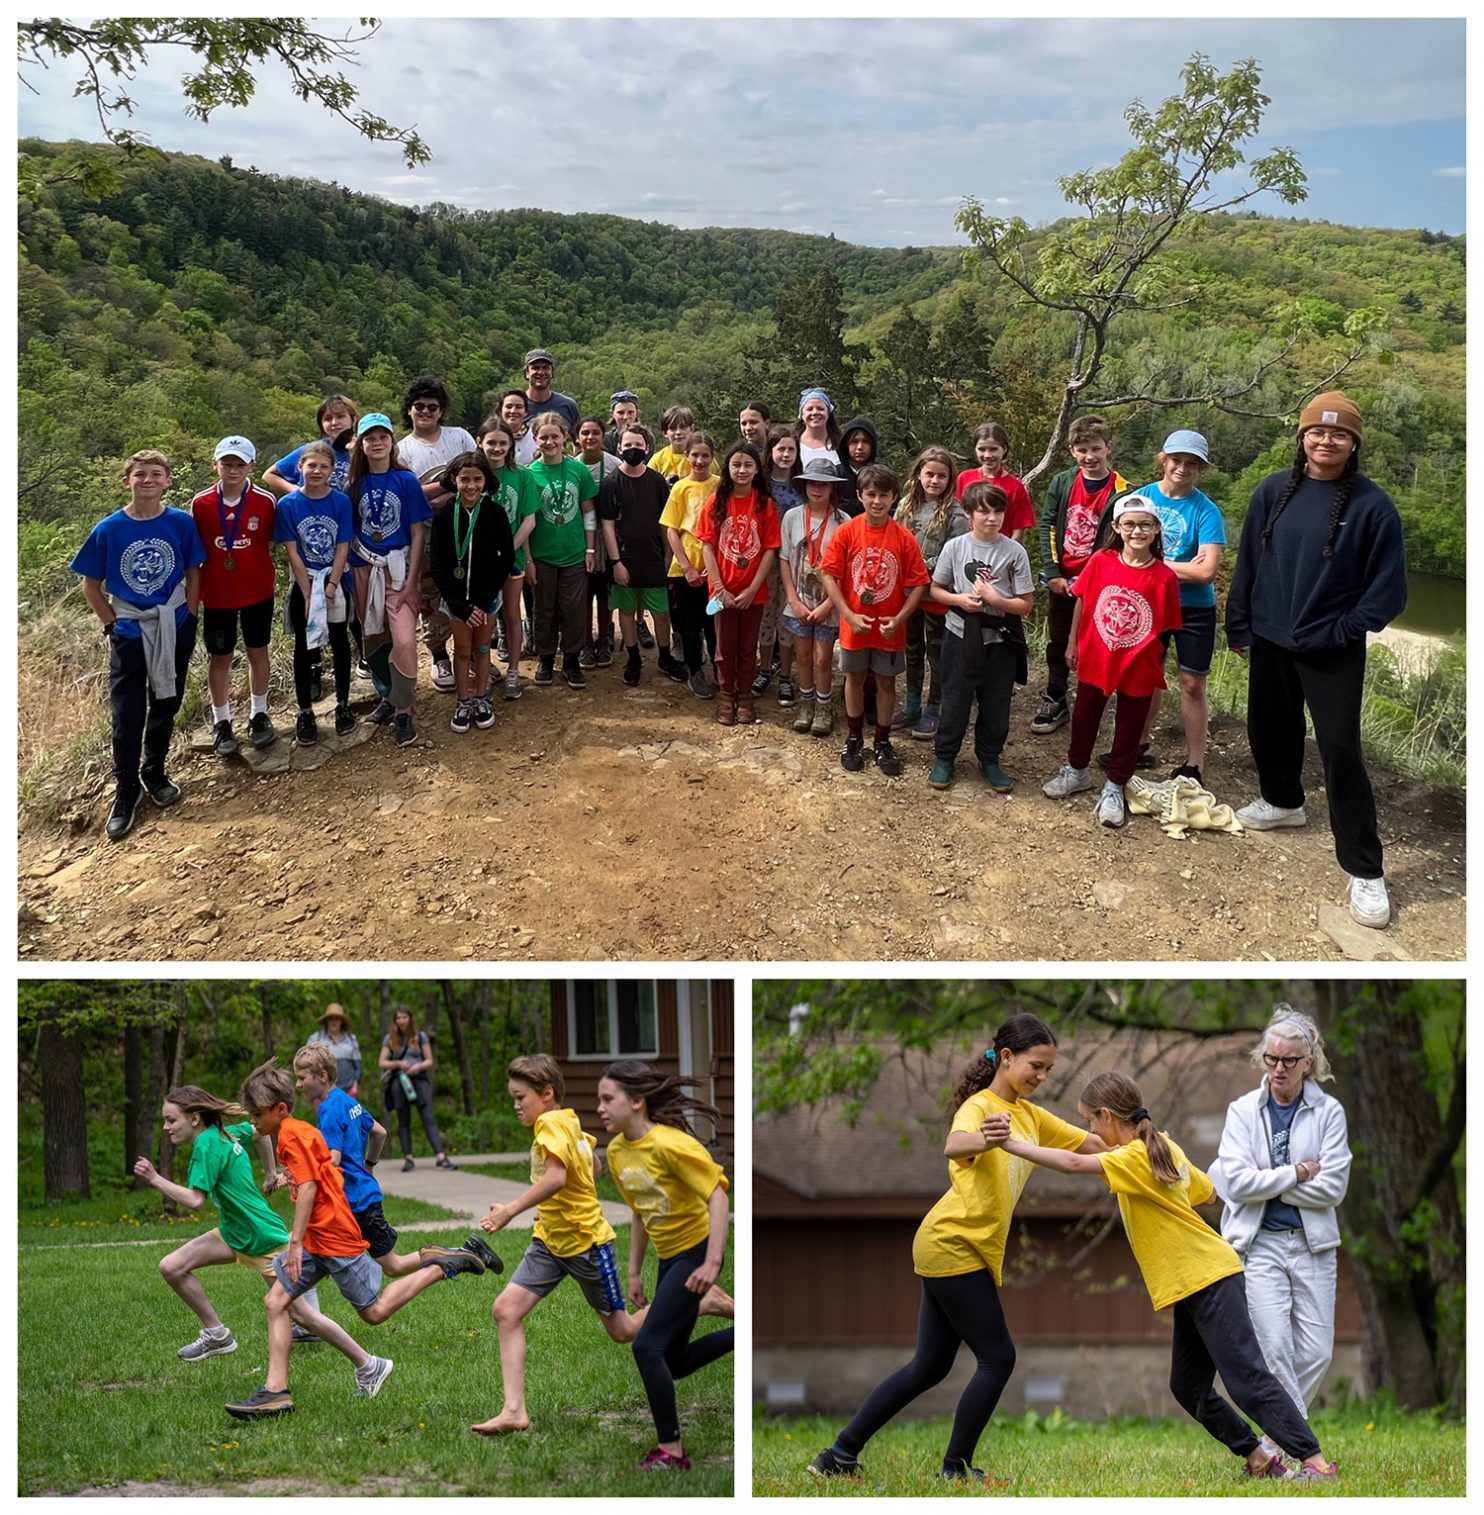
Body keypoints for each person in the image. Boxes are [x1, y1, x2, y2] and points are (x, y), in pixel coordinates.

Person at [991, 1070, 1338, 1480]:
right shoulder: (1157, 1149)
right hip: (1192, 1283)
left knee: (1246, 1378)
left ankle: (1315, 1463)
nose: (1090, 1129)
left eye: (1090, 1121)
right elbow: (1208, 1192)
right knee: (1187, 1386)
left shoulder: (1134, 1156)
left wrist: (1011, 1143)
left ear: (1106, 1116)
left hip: (1208, 1276)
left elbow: (1071, 1162)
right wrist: (1171, 1155)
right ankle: (1259, 1460)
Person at [808, 1014, 1102, 1483]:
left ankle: (838, 1455)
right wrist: (985, 1138)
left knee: (928, 1366)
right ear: (1006, 1058)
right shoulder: (980, 1107)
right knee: (998, 1357)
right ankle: (956, 1468)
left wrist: (1138, 1143)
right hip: (953, 1244)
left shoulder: (1031, 1116)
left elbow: (1089, 1143)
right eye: (1036, 1066)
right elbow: (954, 1144)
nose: (1043, 1077)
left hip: (958, 1247)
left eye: (1049, 1069)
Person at [1225, 391, 1406, 929]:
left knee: (1341, 751)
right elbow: (1250, 564)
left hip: (1332, 649)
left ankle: (1365, 868)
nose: (1326, 441)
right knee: (1270, 728)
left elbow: (1388, 592)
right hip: (1272, 638)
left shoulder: (1372, 506)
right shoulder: (1273, 491)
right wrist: (1240, 623)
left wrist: (1345, 629)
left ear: (1354, 444)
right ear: (1302, 438)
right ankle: (1282, 802)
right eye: (1317, 432)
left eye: (1339, 434)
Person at [224, 1058, 488, 1419]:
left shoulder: (290, 1134)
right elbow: (318, 1171)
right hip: (317, 1235)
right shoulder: (294, 1130)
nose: (253, 1122)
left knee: (374, 1312)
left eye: (257, 1115)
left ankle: (441, 1267)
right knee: (275, 1302)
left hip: (333, 1236)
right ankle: (275, 1392)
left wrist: (296, 1242)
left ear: (280, 1109)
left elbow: (311, 1184)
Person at [470, 1054, 650, 1436]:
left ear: (546, 1093)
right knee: (506, 1310)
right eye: (513, 1098)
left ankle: (696, 1299)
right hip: (550, 1241)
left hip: (586, 1244)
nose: (516, 1105)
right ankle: (514, 1410)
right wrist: (552, 1208)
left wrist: (510, 1211)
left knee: (623, 1331)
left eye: (521, 1098)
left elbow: (556, 1178)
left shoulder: (550, 1124)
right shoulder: (567, 1119)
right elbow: (592, 1166)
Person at [1209, 1006, 1351, 1467]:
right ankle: (1303, 1453)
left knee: (1316, 1351)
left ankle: (1271, 1442)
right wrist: (1298, 1174)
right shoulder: (1242, 1112)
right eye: (1271, 1059)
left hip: (1312, 1245)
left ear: (1308, 1062)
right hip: (1260, 1246)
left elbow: (1334, 1188)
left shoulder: (1328, 1113)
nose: (1278, 1069)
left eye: (1289, 1060)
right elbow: (1234, 1182)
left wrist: (1271, 1183)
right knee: (1273, 1349)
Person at [598, 1060, 735, 1473]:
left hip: (696, 1254)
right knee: (673, 1361)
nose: (600, 1108)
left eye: (609, 1099)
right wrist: (635, 1271)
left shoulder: (673, 1145)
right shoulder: (619, 1152)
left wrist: (712, 1263)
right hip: (669, 1257)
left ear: (637, 1101)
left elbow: (718, 1196)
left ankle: (672, 1453)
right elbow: (640, 1211)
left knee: (646, 1346)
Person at [132, 1084, 325, 1360]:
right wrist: (270, 1174)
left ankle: (366, 1362)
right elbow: (259, 1133)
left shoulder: (206, 1146)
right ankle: (217, 1334)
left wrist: (154, 1178)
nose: (166, 1127)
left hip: (261, 1238)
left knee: (303, 1317)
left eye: (171, 1120)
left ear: (195, 1118)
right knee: (172, 1266)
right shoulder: (226, 1133)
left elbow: (196, 1200)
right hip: (235, 1234)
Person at [72, 448, 206, 842]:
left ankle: (155, 771)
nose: (147, 480)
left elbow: (193, 570)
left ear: (168, 481)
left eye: (156, 474)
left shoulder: (180, 522)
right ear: (126, 481)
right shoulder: (109, 529)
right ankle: (126, 788)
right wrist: (111, 625)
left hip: (173, 621)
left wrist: (191, 616)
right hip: (129, 628)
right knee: (127, 711)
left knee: (167, 700)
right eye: (140, 474)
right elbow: (91, 585)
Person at [291, 1042, 496, 1281]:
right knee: (322, 1255)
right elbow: (379, 1132)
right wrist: (369, 1166)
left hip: (356, 1203)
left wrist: (300, 1173)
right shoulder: (347, 1101)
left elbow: (333, 1159)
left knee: (393, 1266)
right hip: (362, 1197)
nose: (298, 1085)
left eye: (301, 1078)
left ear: (322, 1076)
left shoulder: (328, 1110)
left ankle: (462, 1254)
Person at [1042, 495, 1181, 829]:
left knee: (1130, 724)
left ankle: (1115, 784)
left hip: (1139, 661)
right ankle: (1076, 771)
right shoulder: (1101, 561)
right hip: (1096, 653)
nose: (1137, 531)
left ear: (1156, 529)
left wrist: (1157, 663)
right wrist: (1073, 641)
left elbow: (1165, 628)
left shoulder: (1164, 577)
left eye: (1145, 524)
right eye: (1129, 524)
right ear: (1116, 527)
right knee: (1086, 714)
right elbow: (1082, 601)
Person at [819, 463, 930, 776]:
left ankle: (882, 740)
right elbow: (829, 574)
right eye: (871, 494)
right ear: (860, 496)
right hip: (855, 624)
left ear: (894, 497)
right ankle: (854, 737)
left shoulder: (903, 537)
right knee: (853, 679)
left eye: (884, 495)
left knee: (885, 681)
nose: (877, 501)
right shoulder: (847, 532)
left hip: (889, 628)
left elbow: (919, 583)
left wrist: (900, 618)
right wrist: (847, 613)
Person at [1129, 429, 1226, 785]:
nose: (1182, 468)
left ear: (1201, 468)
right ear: (1163, 460)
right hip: (1150, 603)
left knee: (1191, 683)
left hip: (1194, 609)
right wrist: (1182, 567)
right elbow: (1122, 555)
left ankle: (1195, 764)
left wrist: (1153, 563)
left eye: (1191, 463)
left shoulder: (1206, 511)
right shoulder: (1141, 499)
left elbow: (1206, 572)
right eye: (1176, 460)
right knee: (1147, 675)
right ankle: (1137, 744)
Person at [928, 482, 1034, 793]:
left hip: (1000, 639)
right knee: (955, 699)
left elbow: (1025, 604)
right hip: (960, 634)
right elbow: (936, 589)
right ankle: (945, 757)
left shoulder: (1014, 552)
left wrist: (995, 599)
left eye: (998, 511)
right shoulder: (956, 547)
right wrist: (961, 600)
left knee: (997, 702)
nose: (992, 518)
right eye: (983, 511)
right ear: (970, 514)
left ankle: (990, 758)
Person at [1031, 416, 1129, 735]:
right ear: (1072, 450)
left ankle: (1093, 703)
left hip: (1100, 580)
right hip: (1062, 578)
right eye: (1083, 449)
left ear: (1109, 448)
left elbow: (1119, 539)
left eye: (1096, 449)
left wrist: (1096, 578)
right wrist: (1053, 571)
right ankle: (1056, 697)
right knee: (1059, 640)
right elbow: (1047, 524)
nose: (1090, 456)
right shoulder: (1063, 482)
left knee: (1095, 643)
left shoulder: (1122, 489)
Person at [346, 413, 431, 747]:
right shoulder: (353, 486)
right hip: (363, 568)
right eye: (370, 438)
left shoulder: (405, 480)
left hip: (397, 570)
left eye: (382, 437)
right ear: (361, 445)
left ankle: (405, 709)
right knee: (374, 639)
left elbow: (417, 532)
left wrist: (413, 581)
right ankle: (388, 695)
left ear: (392, 442)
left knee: (405, 641)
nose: (376, 443)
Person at [192, 436, 279, 755]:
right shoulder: (200, 504)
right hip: (217, 595)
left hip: (257, 590)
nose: (232, 469)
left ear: (251, 466)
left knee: (258, 651)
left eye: (239, 464)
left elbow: (268, 542)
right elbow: (197, 551)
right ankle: (222, 722)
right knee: (221, 658)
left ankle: (259, 714)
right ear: (214, 464)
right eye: (226, 463)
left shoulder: (266, 501)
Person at [396, 376, 476, 696]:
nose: (426, 411)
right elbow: (403, 495)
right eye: (419, 406)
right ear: (410, 410)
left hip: (467, 526)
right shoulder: (402, 450)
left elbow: (479, 471)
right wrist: (444, 488)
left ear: (442, 411)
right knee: (430, 596)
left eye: (433, 406)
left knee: (469, 588)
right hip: (426, 534)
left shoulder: (459, 437)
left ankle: (469, 653)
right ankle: (440, 656)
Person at [273, 441, 356, 746]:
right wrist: (309, 594)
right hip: (304, 581)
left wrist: (331, 586)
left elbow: (342, 545)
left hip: (333, 580)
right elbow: (292, 551)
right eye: (311, 465)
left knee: (339, 641)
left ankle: (343, 704)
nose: (317, 471)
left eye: (324, 466)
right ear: (300, 468)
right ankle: (305, 711)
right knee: (303, 647)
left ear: (332, 470)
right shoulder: (288, 506)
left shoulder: (340, 502)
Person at [696, 439, 782, 727]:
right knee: (724, 647)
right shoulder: (716, 502)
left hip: (753, 593)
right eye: (736, 465)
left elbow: (770, 548)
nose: (742, 470)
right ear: (727, 468)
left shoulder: (765, 504)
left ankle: (745, 695)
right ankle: (725, 693)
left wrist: (753, 588)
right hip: (721, 590)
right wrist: (719, 587)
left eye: (748, 465)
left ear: (757, 469)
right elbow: (707, 546)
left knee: (748, 646)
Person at [429, 450, 515, 733]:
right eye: (464, 479)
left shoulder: (495, 513)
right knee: (463, 650)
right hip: (457, 603)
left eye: (477, 479)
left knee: (482, 648)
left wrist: (483, 600)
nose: (471, 486)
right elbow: (438, 563)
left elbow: (506, 558)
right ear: (454, 479)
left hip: (487, 600)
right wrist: (461, 604)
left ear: (486, 481)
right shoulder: (444, 516)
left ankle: (481, 698)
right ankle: (463, 700)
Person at [600, 424, 685, 688]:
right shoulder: (611, 483)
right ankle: (633, 658)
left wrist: (668, 556)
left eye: (638, 446)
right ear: (619, 448)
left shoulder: (657, 482)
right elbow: (607, 526)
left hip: (653, 559)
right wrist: (615, 563)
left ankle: (663, 657)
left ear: (648, 448)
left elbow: (666, 522)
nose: (633, 450)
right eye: (628, 446)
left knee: (661, 613)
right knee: (626, 611)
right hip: (624, 560)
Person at [525, 411, 600, 691]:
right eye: (543, 437)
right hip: (542, 555)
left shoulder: (577, 470)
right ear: (535, 439)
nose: (549, 442)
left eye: (554, 436)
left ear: (565, 438)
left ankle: (571, 660)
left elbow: (588, 511)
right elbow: (526, 520)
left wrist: (590, 549)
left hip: (574, 553)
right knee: (543, 608)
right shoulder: (529, 474)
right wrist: (529, 559)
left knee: (574, 609)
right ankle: (545, 658)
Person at [897, 445, 966, 740]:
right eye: (929, 474)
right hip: (908, 593)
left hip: (938, 594)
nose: (934, 481)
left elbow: (956, 554)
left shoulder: (955, 513)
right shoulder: (905, 506)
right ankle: (912, 703)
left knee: (937, 654)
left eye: (941, 476)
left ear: (950, 478)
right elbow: (896, 540)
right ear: (919, 474)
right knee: (912, 649)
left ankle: (934, 708)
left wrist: (922, 566)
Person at [778, 458, 849, 737]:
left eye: (824, 484)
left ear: (832, 488)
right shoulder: (793, 517)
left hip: (828, 604)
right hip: (798, 600)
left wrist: (829, 604)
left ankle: (823, 705)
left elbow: (846, 571)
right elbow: (784, 560)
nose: (817, 489)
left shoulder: (844, 522)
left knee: (822, 658)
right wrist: (793, 600)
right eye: (812, 483)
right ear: (804, 485)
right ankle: (806, 704)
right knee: (803, 655)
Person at [477, 416, 539, 699]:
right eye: (492, 442)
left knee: (512, 614)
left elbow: (529, 520)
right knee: (483, 618)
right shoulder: (473, 474)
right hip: (477, 561)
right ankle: (484, 671)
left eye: (503, 443)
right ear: (481, 443)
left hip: (510, 558)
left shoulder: (522, 475)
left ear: (511, 445)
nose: (497, 448)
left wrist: (512, 553)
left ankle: (514, 671)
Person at [660, 432, 721, 698]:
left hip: (715, 569)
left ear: (712, 457)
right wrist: (686, 567)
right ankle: (695, 671)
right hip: (684, 568)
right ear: (687, 457)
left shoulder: (720, 485)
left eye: (705, 455)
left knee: (714, 624)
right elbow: (672, 530)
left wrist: (716, 567)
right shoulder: (680, 487)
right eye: (694, 455)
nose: (699, 460)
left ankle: (721, 669)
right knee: (689, 625)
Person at [379, 1007, 458, 1172]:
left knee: (428, 1118)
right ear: (395, 1020)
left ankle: (441, 1157)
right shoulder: (390, 1039)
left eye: (404, 1017)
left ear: (410, 1018)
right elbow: (382, 1062)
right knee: (403, 1120)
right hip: (399, 1080)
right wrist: (398, 1064)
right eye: (398, 1018)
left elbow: (429, 1060)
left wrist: (417, 1067)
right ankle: (408, 1158)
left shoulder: (420, 1036)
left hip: (419, 1079)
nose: (401, 1021)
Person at [575, 416, 623, 669]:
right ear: (577, 438)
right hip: (578, 537)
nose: (590, 437)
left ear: (603, 437)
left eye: (595, 433)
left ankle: (604, 639)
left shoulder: (615, 464)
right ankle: (585, 642)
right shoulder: (573, 466)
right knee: (583, 592)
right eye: (585, 433)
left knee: (605, 591)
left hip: (607, 537)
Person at [262, 394, 358, 497]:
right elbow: (269, 475)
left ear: (353, 419)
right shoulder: (313, 450)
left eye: (340, 416)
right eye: (328, 419)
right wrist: (295, 490)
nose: (334, 422)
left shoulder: (364, 450)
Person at [954, 422, 1035, 544]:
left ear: (1004, 449)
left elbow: (1018, 530)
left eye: (993, 449)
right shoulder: (964, 478)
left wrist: (1008, 556)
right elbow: (955, 516)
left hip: (999, 551)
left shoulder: (1015, 486)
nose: (987, 455)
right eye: (982, 449)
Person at [520, 348, 581, 435]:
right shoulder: (515, 407)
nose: (541, 372)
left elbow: (578, 443)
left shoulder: (568, 406)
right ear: (526, 373)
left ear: (552, 372)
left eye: (546, 368)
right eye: (536, 368)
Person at [650, 406, 714, 487]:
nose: (678, 432)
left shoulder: (704, 456)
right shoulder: (657, 460)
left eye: (683, 427)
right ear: (665, 433)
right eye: (672, 428)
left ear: (692, 428)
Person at [305, 1002, 362, 1094]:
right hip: (322, 1092)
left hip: (348, 1091)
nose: (334, 1022)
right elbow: (306, 1064)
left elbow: (358, 1066)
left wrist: (355, 1085)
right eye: (331, 1019)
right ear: (326, 1021)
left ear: (341, 1021)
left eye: (337, 1019)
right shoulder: (315, 1039)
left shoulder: (351, 1039)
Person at [498, 388, 538, 467]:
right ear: (500, 410)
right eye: (509, 406)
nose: (513, 411)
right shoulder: (491, 436)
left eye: (518, 407)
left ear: (526, 411)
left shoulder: (536, 436)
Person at [604, 389, 642, 454]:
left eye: (630, 412)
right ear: (612, 414)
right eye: (620, 413)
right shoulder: (606, 439)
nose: (625, 417)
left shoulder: (647, 438)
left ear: (637, 414)